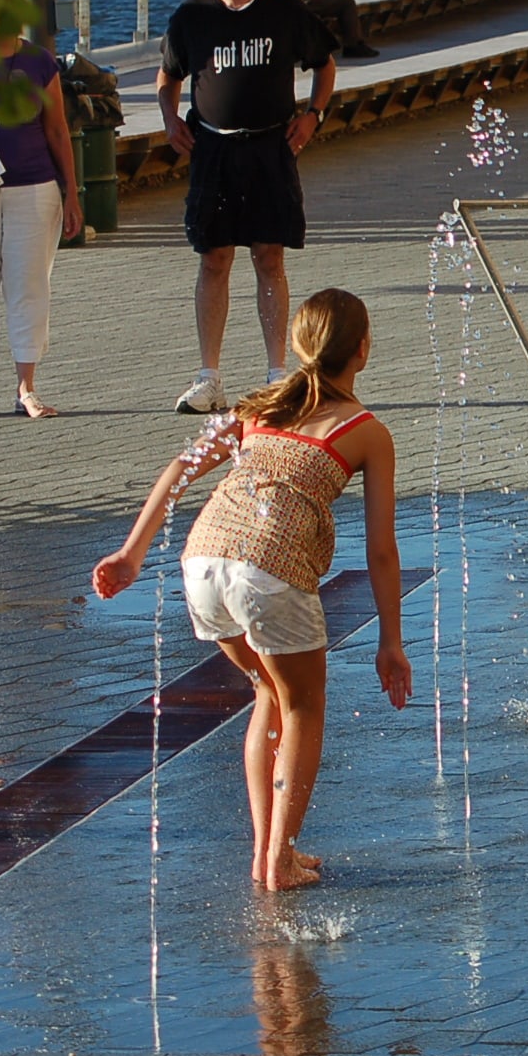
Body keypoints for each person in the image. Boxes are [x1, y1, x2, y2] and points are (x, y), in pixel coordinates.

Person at [91, 288, 411, 891]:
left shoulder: (258, 407)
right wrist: (390, 640)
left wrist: (132, 555)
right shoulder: (367, 431)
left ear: (296, 345)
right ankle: (278, 860)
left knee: (267, 689)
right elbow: (381, 551)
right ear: (363, 351)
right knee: (303, 707)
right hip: (269, 571)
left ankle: (267, 854)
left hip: (203, 563)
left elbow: (180, 468)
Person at [158, 0, 340, 415]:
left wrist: (313, 117)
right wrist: (170, 120)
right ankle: (209, 376)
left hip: (270, 147)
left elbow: (325, 64)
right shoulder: (192, 17)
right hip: (213, 148)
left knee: (269, 257)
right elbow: (168, 74)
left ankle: (276, 373)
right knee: (214, 258)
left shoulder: (285, 10)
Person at [0, 0, 83, 416]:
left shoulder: (39, 61)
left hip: (34, 186)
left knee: (29, 287)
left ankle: (26, 388)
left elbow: (57, 129)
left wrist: (73, 193)